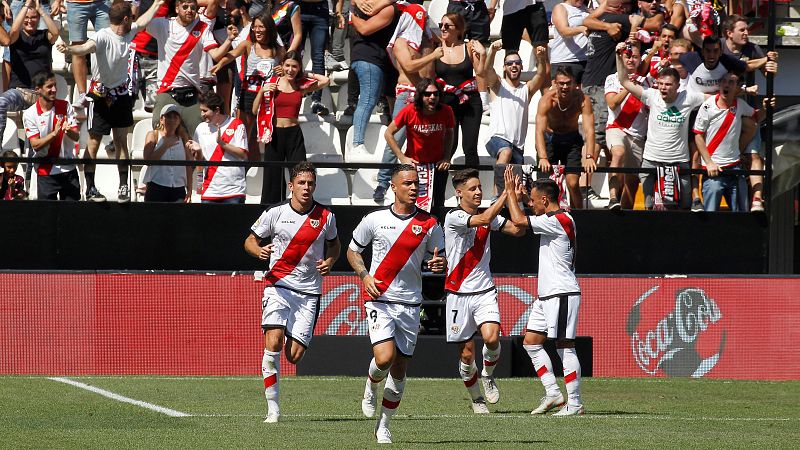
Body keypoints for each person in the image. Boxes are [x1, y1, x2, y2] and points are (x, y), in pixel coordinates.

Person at [347, 164, 446, 444]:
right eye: (408, 184)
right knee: (384, 358)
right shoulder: (374, 219)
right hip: (380, 300)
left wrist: (440, 263)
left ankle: (384, 425)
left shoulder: (429, 224)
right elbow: (353, 251)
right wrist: (365, 275)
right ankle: (371, 384)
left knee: (400, 368)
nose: (414, 188)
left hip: (411, 304)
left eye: (417, 184)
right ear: (394, 187)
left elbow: (440, 259)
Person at [244, 161, 340, 424]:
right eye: (301, 183)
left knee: (293, 355)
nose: (306, 187)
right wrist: (259, 251)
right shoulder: (275, 213)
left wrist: (330, 261)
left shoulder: (326, 217)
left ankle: (291, 334)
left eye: (310, 183)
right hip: (278, 286)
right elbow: (250, 240)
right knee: (273, 342)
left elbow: (335, 246)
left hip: (309, 293)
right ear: (291, 186)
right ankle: (272, 409)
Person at [57, 0, 163, 203]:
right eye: (130, 18)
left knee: (122, 142)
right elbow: (86, 47)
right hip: (100, 97)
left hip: (122, 96)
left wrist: (157, 3)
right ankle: (90, 188)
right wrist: (70, 50)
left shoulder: (128, 32)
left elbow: (142, 21)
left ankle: (123, 186)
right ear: (125, 18)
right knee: (94, 143)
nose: (132, 21)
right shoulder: (103, 36)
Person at [502, 166, 584, 415]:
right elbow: (531, 212)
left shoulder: (558, 220)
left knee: (564, 345)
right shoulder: (556, 218)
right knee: (531, 343)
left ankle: (576, 403)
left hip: (561, 292)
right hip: (547, 295)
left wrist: (510, 195)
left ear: (545, 200)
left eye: (535, 201)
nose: (532, 204)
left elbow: (518, 221)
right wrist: (524, 196)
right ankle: (553, 393)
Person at [444, 168, 524, 413]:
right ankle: (476, 398)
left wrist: (513, 200)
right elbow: (483, 220)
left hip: (484, 291)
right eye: (473, 189)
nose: (478, 192)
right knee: (467, 356)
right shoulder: (453, 217)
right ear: (459, 193)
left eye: (480, 187)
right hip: (457, 293)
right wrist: (505, 193)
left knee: (491, 338)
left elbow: (518, 229)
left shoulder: (489, 214)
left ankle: (488, 375)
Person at [616, 42, 704, 210]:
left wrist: (745, 91)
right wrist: (618, 55)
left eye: (668, 85)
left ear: (678, 86)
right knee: (650, 205)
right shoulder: (651, 95)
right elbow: (624, 80)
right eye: (661, 84)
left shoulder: (689, 98)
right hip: (651, 160)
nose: (663, 88)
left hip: (679, 161)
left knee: (684, 206)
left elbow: (716, 98)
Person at [373, 3, 440, 202]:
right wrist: (434, 54)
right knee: (397, 136)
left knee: (428, 138)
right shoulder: (402, 42)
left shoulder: (428, 40)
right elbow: (409, 66)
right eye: (418, 18)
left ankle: (424, 184)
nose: (421, 21)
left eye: (423, 18)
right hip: (408, 93)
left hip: (427, 94)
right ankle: (383, 182)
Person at [253, 50, 329, 205]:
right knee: (272, 175)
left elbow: (325, 80)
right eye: (287, 65)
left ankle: (301, 206)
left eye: (294, 66)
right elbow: (255, 111)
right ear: (281, 65)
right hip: (274, 134)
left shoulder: (300, 86)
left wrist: (305, 73)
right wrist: (262, 91)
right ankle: (269, 209)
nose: (290, 69)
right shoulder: (271, 84)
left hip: (294, 134)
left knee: (300, 173)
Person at [147, 0, 232, 136]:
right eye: (185, 7)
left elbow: (216, 55)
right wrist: (156, 4)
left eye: (193, 7)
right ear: (176, 8)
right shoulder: (163, 24)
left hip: (192, 92)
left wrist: (229, 40)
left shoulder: (202, 28)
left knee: (198, 136)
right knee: (159, 132)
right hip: (167, 91)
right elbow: (140, 24)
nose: (189, 10)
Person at [722, 14, 779, 212]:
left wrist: (771, 65)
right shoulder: (719, 49)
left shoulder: (752, 48)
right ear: (729, 33)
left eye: (747, 29)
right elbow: (741, 66)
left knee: (755, 156)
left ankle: (756, 199)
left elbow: (767, 71)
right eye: (742, 30)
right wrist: (765, 59)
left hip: (747, 110)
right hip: (723, 111)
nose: (747, 33)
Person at [693, 71, 772, 212]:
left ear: (737, 87)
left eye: (731, 82)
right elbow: (698, 136)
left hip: (735, 169)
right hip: (713, 171)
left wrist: (766, 108)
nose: (727, 85)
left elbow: (756, 117)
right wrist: (709, 162)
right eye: (724, 81)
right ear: (719, 84)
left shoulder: (740, 105)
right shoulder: (708, 106)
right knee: (710, 216)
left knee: (741, 216)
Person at [212, 12, 284, 162]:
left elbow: (291, 69)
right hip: (248, 95)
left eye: (261, 27)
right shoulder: (248, 45)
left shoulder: (278, 49)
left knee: (267, 137)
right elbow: (231, 54)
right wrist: (221, 63)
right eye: (254, 27)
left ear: (269, 29)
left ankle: (262, 170)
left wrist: (283, 70)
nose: (257, 30)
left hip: (269, 98)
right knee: (245, 136)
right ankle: (246, 171)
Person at [483, 40, 549, 196]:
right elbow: (487, 70)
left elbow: (541, 74)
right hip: (496, 138)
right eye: (510, 63)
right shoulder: (498, 85)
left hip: (518, 146)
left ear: (521, 66)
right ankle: (496, 197)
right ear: (504, 67)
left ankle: (508, 207)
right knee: (505, 152)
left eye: (517, 63)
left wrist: (540, 58)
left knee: (517, 189)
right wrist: (492, 51)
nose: (514, 65)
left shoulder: (526, 89)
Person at [383, 78, 454, 219]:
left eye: (435, 94)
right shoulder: (409, 111)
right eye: (427, 94)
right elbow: (388, 133)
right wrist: (402, 157)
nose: (432, 97)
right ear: (420, 96)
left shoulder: (446, 111)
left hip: (437, 166)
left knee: (438, 203)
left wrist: (447, 157)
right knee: (410, 203)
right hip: (415, 166)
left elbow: (450, 133)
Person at [535, 65, 596, 209]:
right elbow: (539, 131)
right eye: (561, 83)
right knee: (545, 185)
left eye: (568, 83)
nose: (565, 86)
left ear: (574, 83)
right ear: (555, 83)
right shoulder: (547, 100)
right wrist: (543, 157)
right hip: (551, 140)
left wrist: (589, 156)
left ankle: (578, 217)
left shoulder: (582, 99)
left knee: (573, 183)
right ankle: (544, 216)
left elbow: (589, 130)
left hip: (571, 140)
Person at [348, 1, 399, 154]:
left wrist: (352, 15)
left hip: (363, 58)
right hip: (370, 59)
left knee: (367, 101)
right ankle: (357, 144)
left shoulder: (376, 6)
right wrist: (352, 15)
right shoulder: (386, 8)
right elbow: (364, 29)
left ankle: (356, 143)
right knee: (367, 101)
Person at [603, 41, 650, 209]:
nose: (631, 60)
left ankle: (625, 217)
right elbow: (612, 103)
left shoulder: (648, 82)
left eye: (635, 57)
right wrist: (629, 85)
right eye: (628, 56)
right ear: (622, 58)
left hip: (638, 135)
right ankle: (613, 198)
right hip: (617, 128)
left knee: (632, 182)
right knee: (618, 153)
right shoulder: (612, 78)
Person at [435, 14, 485, 168]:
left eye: (447, 26)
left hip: (470, 101)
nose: (442, 28)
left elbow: (480, 71)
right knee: (449, 147)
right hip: (447, 103)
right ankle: (439, 188)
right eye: (441, 24)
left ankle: (473, 184)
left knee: (470, 147)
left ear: (458, 29)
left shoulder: (468, 47)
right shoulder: (436, 48)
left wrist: (483, 55)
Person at [23, 71, 81, 201]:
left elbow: (76, 137)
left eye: (55, 85)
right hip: (46, 171)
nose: (54, 90)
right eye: (49, 86)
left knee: (72, 216)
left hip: (68, 169)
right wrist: (54, 134)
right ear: (38, 90)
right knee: (47, 216)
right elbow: (35, 145)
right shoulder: (30, 114)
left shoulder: (65, 106)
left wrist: (68, 131)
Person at [186, 91, 249, 203]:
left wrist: (222, 143)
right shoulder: (200, 128)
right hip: (209, 190)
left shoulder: (236, 124)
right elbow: (199, 161)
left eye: (205, 111)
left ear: (217, 110)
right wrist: (197, 152)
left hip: (233, 190)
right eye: (201, 110)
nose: (202, 114)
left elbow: (243, 154)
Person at [0, 0, 59, 90]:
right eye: (26, 17)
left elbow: (55, 33)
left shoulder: (44, 35)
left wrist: (41, 11)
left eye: (34, 17)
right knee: (3, 103)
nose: (30, 21)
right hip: (19, 91)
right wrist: (27, 5)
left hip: (41, 90)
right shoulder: (16, 37)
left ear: (39, 18)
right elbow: (14, 30)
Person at [142, 104, 194, 202]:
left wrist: (190, 190)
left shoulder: (183, 138)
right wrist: (165, 145)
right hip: (157, 186)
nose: (172, 119)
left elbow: (188, 165)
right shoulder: (153, 135)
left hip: (178, 189)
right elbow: (147, 161)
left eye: (175, 117)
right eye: (169, 116)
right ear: (161, 119)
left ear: (179, 120)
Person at [65, 0, 112, 107]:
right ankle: (82, 95)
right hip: (75, 3)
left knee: (107, 44)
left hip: (102, 3)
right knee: (77, 47)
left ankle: (108, 89)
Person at [298, 0, 330, 115]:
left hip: (321, 11)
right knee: (296, 56)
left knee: (318, 57)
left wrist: (338, 11)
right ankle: (293, 94)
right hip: (300, 9)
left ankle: (316, 101)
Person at [549, 0, 589, 85]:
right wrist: (581, 29)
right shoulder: (561, 8)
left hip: (585, 60)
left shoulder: (586, 9)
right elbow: (564, 31)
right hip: (565, 61)